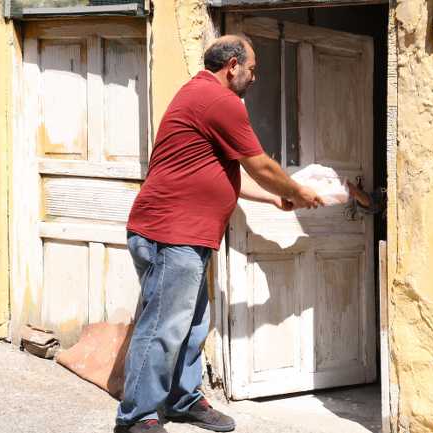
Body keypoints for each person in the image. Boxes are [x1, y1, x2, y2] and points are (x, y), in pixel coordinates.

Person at [115, 34, 323, 433]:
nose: (255, 77)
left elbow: (221, 172)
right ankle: (136, 418)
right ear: (232, 65)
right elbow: (259, 164)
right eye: (253, 69)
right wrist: (297, 191)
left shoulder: (200, 95)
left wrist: (272, 200)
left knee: (191, 324)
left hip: (183, 236)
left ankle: (182, 399)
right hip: (171, 235)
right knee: (163, 328)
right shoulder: (220, 101)